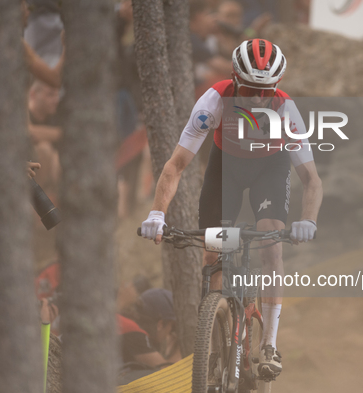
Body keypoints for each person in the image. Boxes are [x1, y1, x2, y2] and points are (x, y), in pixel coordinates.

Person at [140, 38, 322, 378]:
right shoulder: (214, 100)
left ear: (276, 88)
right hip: (227, 169)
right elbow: (176, 165)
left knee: (270, 241)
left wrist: (307, 220)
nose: (257, 98)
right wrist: (157, 213)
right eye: (250, 88)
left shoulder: (285, 109)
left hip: (271, 167)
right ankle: (216, 331)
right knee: (214, 252)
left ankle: (268, 343)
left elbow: (311, 179)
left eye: (265, 91)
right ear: (236, 80)